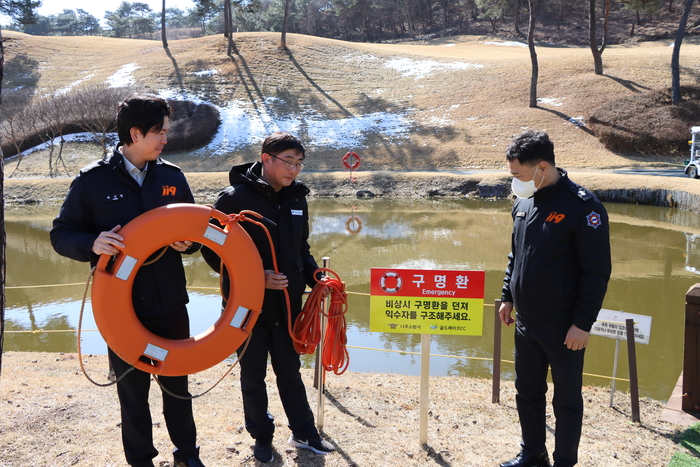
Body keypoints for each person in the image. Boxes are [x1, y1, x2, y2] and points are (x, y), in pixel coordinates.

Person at [50, 94, 206, 467]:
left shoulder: (172, 177)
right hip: (121, 309)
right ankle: (140, 461)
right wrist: (92, 242)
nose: (166, 138)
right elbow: (61, 234)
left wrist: (187, 244)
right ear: (135, 133)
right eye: (159, 132)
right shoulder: (92, 181)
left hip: (170, 302)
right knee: (132, 394)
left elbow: (196, 235)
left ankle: (187, 455)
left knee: (177, 389)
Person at [201, 131, 335, 463]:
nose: (294, 170)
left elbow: (300, 249)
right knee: (252, 375)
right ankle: (261, 436)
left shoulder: (297, 199)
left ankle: (305, 432)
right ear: (266, 159)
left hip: (288, 305)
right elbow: (210, 250)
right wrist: (254, 278)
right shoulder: (232, 200)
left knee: (290, 372)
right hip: (245, 308)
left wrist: (316, 276)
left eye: (299, 163)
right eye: (288, 161)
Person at [498, 130, 612, 467]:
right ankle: (533, 454)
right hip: (527, 323)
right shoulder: (524, 200)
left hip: (565, 328)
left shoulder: (583, 206)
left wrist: (582, 324)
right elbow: (515, 255)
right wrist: (507, 295)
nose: (514, 181)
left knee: (566, 401)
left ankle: (564, 462)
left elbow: (596, 272)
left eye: (518, 174)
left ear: (542, 167)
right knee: (527, 393)